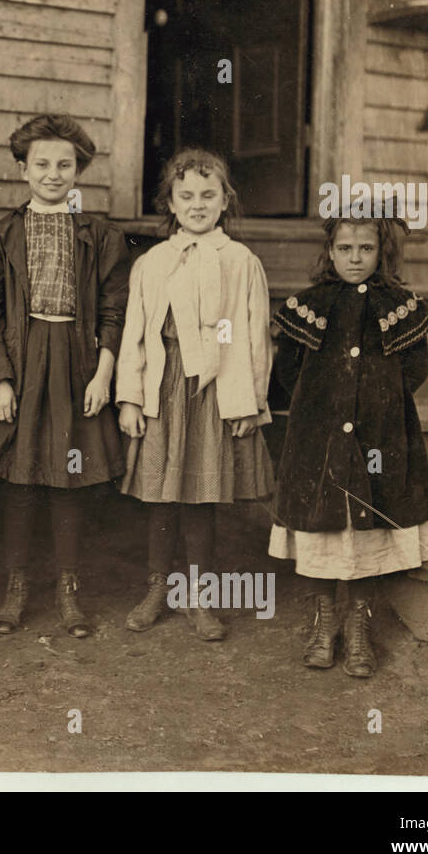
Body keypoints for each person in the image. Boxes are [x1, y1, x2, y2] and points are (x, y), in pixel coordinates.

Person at [269, 213, 428, 676]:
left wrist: (381, 403)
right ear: (330, 252)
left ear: (381, 252)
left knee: (370, 531)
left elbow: (416, 369)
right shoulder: (310, 304)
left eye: (366, 249)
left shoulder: (399, 305)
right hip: (318, 436)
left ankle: (357, 624)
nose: (355, 258)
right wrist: (319, 408)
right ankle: (324, 618)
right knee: (320, 527)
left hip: (382, 433)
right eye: (346, 249)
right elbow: (288, 371)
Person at [0, 114, 130, 638]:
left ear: (79, 171)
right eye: (41, 164)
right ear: (22, 169)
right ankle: (15, 587)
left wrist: (103, 374)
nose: (53, 173)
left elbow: (114, 311)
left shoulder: (100, 235)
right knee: (20, 479)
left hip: (76, 362)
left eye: (65, 164)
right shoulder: (1, 235)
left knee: (69, 479)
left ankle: (69, 589)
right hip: (21, 359)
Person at [116, 147, 274, 641]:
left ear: (225, 200)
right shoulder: (152, 262)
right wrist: (129, 396)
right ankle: (157, 588)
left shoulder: (242, 262)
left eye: (209, 195)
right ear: (171, 202)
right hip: (163, 386)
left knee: (201, 497)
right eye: (186, 196)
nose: (198, 204)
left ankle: (200, 596)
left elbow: (252, 335)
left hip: (215, 388)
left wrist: (250, 398)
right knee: (162, 497)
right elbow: (135, 332)